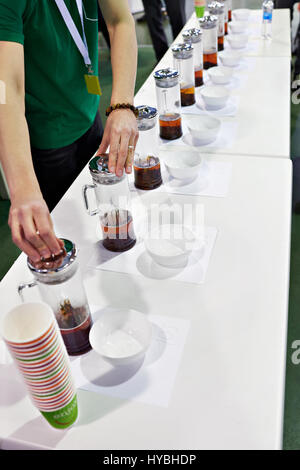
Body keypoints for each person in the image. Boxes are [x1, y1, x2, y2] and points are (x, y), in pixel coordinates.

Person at [0, 0, 138, 264]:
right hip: (48, 138)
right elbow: (6, 88)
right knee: (74, 249)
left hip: (90, 114)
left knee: (113, 218)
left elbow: (120, 21)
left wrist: (122, 105)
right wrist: (24, 189)